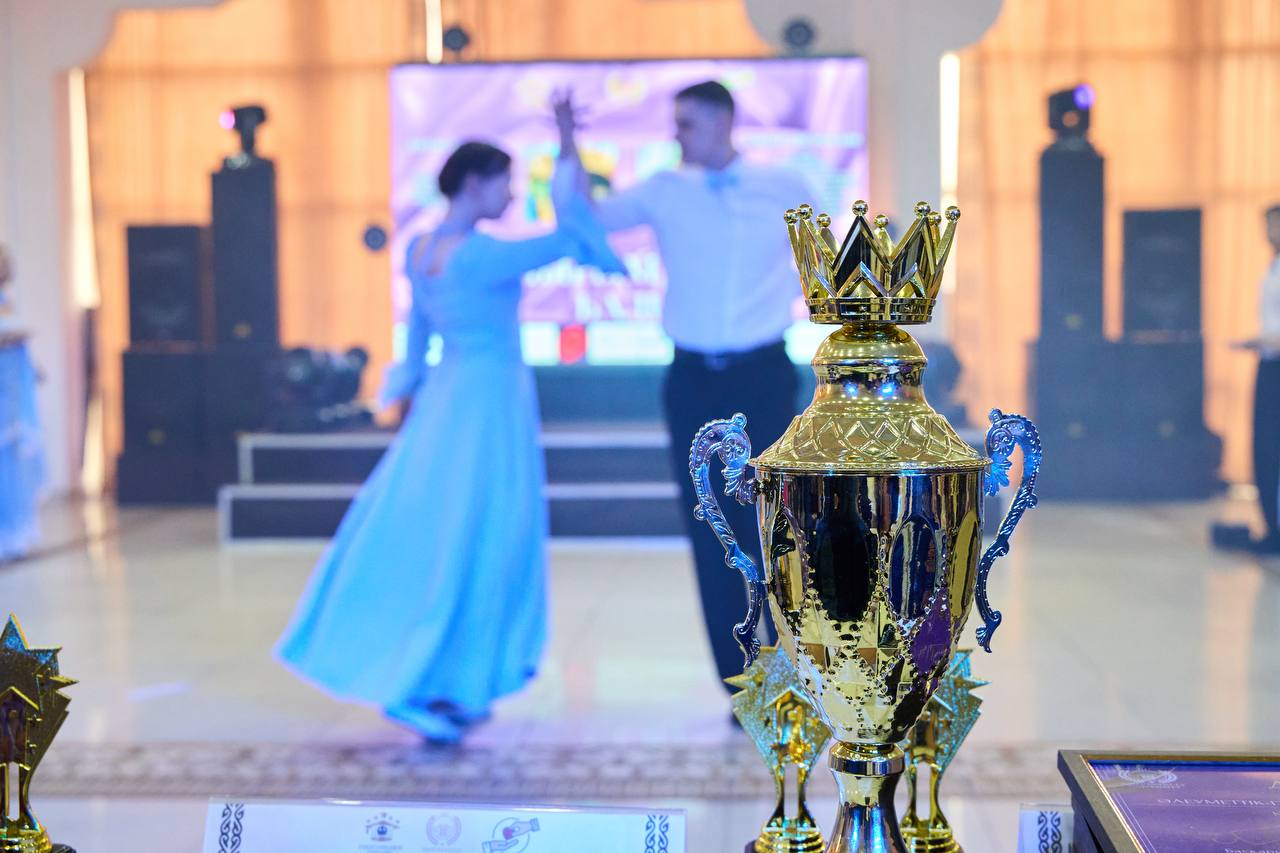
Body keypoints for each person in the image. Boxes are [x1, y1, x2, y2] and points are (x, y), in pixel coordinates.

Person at [276, 120, 625, 743]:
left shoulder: (420, 251)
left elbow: (416, 346)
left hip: (445, 403)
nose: (510, 195)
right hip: (486, 406)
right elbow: (572, 233)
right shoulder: (483, 255)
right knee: (479, 536)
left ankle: (446, 681)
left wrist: (398, 392)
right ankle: (422, 680)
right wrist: (568, 145)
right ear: (473, 183)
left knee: (440, 532)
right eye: (504, 182)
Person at [561, 81, 812, 693]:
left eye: (688, 124)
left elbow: (831, 257)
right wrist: (567, 142)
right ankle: (739, 680)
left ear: (725, 121)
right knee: (712, 526)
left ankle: (794, 669)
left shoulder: (786, 187)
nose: (677, 136)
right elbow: (586, 217)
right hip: (693, 379)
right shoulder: (663, 189)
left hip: (764, 374)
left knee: (779, 524)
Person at [0, 244, 45, 563]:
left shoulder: (7, 300)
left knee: (14, 460)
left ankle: (16, 534)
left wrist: (33, 367)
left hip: (13, 385)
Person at [1240, 204, 1280, 553]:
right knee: (1265, 448)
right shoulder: (1271, 267)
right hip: (1268, 363)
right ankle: (1272, 528)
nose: (1270, 232)